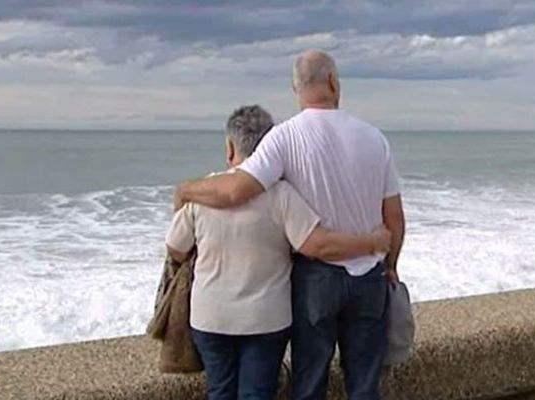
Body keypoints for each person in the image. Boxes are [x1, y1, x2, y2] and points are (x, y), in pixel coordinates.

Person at [173, 50, 405, 400]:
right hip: (369, 279)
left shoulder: (284, 137)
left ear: (295, 89)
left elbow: (237, 189)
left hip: (316, 279)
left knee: (309, 382)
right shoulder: (374, 137)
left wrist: (186, 190)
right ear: (332, 82)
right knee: (365, 385)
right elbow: (395, 218)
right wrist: (389, 263)